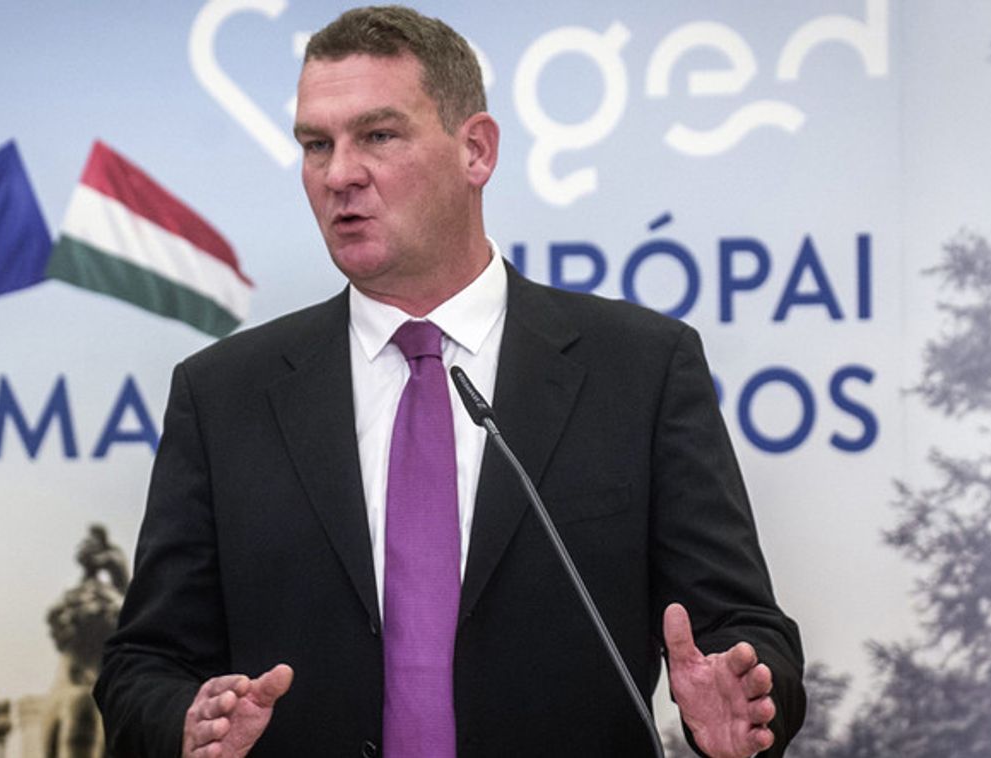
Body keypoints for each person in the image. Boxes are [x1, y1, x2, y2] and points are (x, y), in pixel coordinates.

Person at [94, 6, 805, 757]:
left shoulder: (639, 370)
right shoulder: (223, 396)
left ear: (475, 150)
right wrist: (185, 722)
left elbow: (742, 628)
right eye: (315, 144)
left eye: (378, 135)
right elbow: (144, 664)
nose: (339, 174)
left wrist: (745, 701)